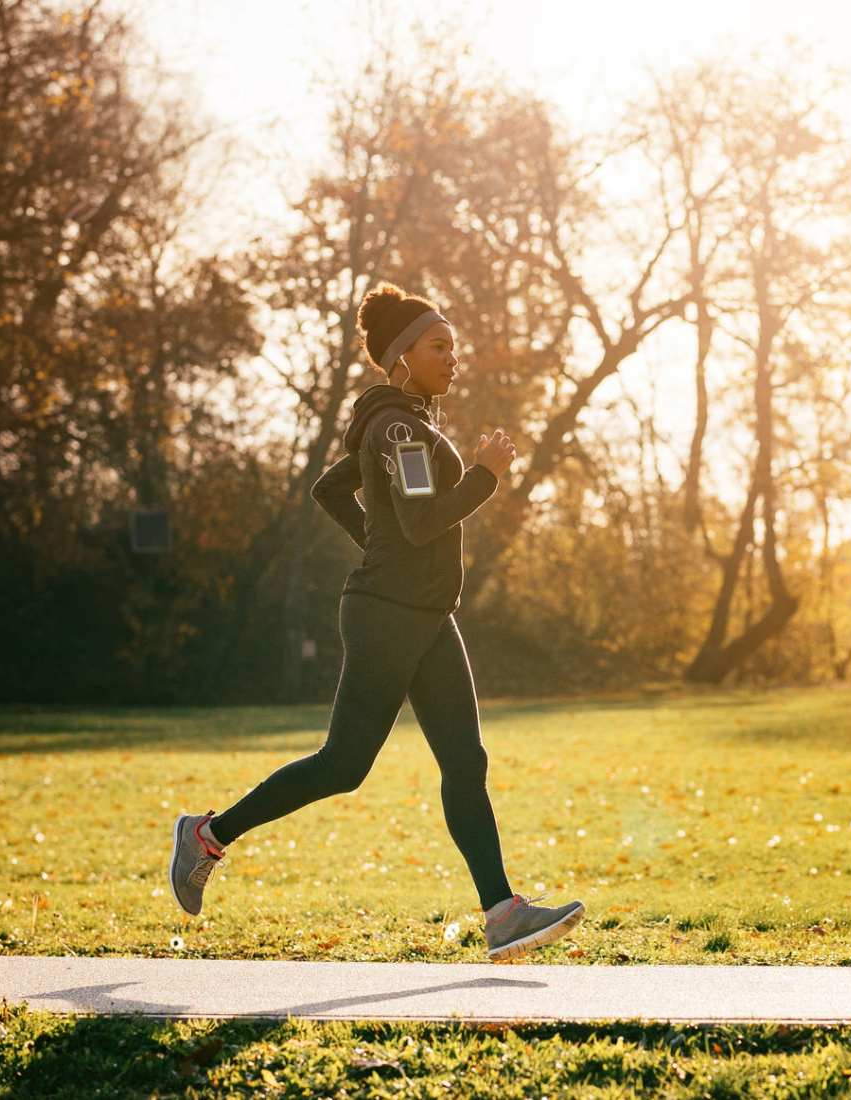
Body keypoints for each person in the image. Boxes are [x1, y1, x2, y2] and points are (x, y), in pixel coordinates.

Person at [167, 281, 585, 962]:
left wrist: (380, 539)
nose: (453, 358)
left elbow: (332, 488)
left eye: (454, 346)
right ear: (401, 358)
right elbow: (420, 520)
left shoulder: (403, 425)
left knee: (464, 762)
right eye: (438, 346)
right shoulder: (397, 428)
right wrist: (484, 475)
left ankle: (503, 912)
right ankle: (206, 836)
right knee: (343, 764)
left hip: (424, 613)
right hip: (388, 614)